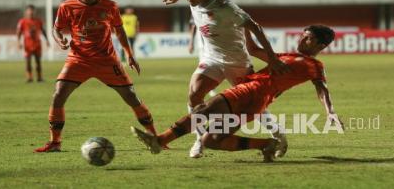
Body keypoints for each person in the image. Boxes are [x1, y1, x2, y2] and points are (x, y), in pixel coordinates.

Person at [132, 25, 344, 162]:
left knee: (204, 109)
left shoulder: (314, 65)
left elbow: (322, 89)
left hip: (252, 91)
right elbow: (252, 50)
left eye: (307, 38)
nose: (301, 40)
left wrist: (330, 112)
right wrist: (248, 27)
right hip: (257, 101)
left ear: (320, 45)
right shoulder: (286, 55)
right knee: (213, 139)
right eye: (302, 36)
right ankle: (267, 144)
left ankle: (159, 141)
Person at [162, 0, 289, 158]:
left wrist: (271, 57)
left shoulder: (226, 8)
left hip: (236, 61)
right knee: (194, 94)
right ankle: (200, 139)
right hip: (211, 58)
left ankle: (277, 134)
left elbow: (255, 27)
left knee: (252, 104)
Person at [34, 0, 158, 152]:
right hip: (78, 60)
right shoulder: (67, 6)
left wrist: (130, 54)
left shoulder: (110, 6)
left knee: (131, 97)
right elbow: (56, 28)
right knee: (58, 95)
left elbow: (119, 30)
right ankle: (55, 142)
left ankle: (155, 137)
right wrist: (60, 40)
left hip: (107, 61)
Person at [16, 4, 50, 82]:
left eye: (32, 11)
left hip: (37, 44)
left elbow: (43, 31)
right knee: (28, 62)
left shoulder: (38, 21)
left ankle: (39, 78)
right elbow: (18, 32)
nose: (31, 12)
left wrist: (47, 40)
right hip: (27, 44)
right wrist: (18, 42)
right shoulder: (22, 21)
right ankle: (29, 77)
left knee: (38, 62)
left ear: (34, 12)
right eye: (29, 11)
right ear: (26, 12)